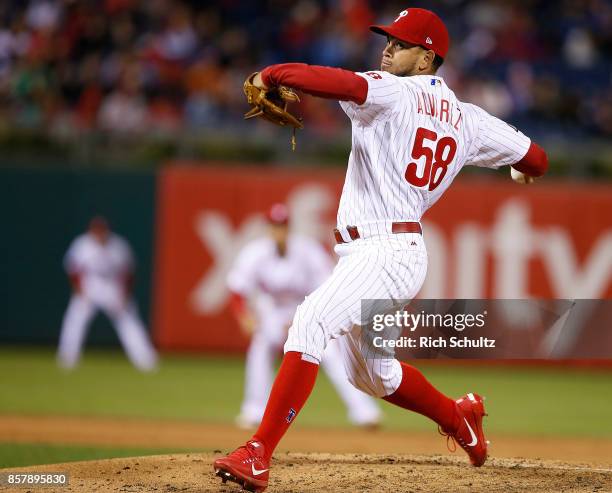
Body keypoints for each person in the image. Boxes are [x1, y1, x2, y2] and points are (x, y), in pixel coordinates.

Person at [214, 8, 548, 492]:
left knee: (311, 321)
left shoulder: (394, 91)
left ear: (426, 57)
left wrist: (272, 73)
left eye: (401, 43)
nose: (388, 48)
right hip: (391, 251)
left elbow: (342, 85)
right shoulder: (470, 120)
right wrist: (525, 171)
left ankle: (258, 453)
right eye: (387, 39)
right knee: (372, 375)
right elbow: (536, 157)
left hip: (385, 251)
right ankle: (460, 419)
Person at [227, 203, 381, 430]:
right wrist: (244, 316)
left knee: (331, 353)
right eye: (274, 226)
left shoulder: (307, 250)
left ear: (289, 228)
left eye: (282, 226)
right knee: (261, 345)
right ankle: (253, 410)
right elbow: (237, 288)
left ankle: (365, 412)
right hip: (273, 312)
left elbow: (328, 285)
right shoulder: (255, 252)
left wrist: (302, 317)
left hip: (307, 307)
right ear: (268, 228)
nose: (278, 231)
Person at [57, 216, 158, 371]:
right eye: (96, 231)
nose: (99, 234)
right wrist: (79, 290)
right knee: (75, 320)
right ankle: (67, 358)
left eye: (101, 231)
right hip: (90, 286)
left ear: (106, 231)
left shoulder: (119, 245)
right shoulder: (82, 244)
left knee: (129, 321)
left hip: (113, 288)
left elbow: (128, 272)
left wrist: (125, 294)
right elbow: (73, 270)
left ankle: (145, 359)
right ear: (91, 231)